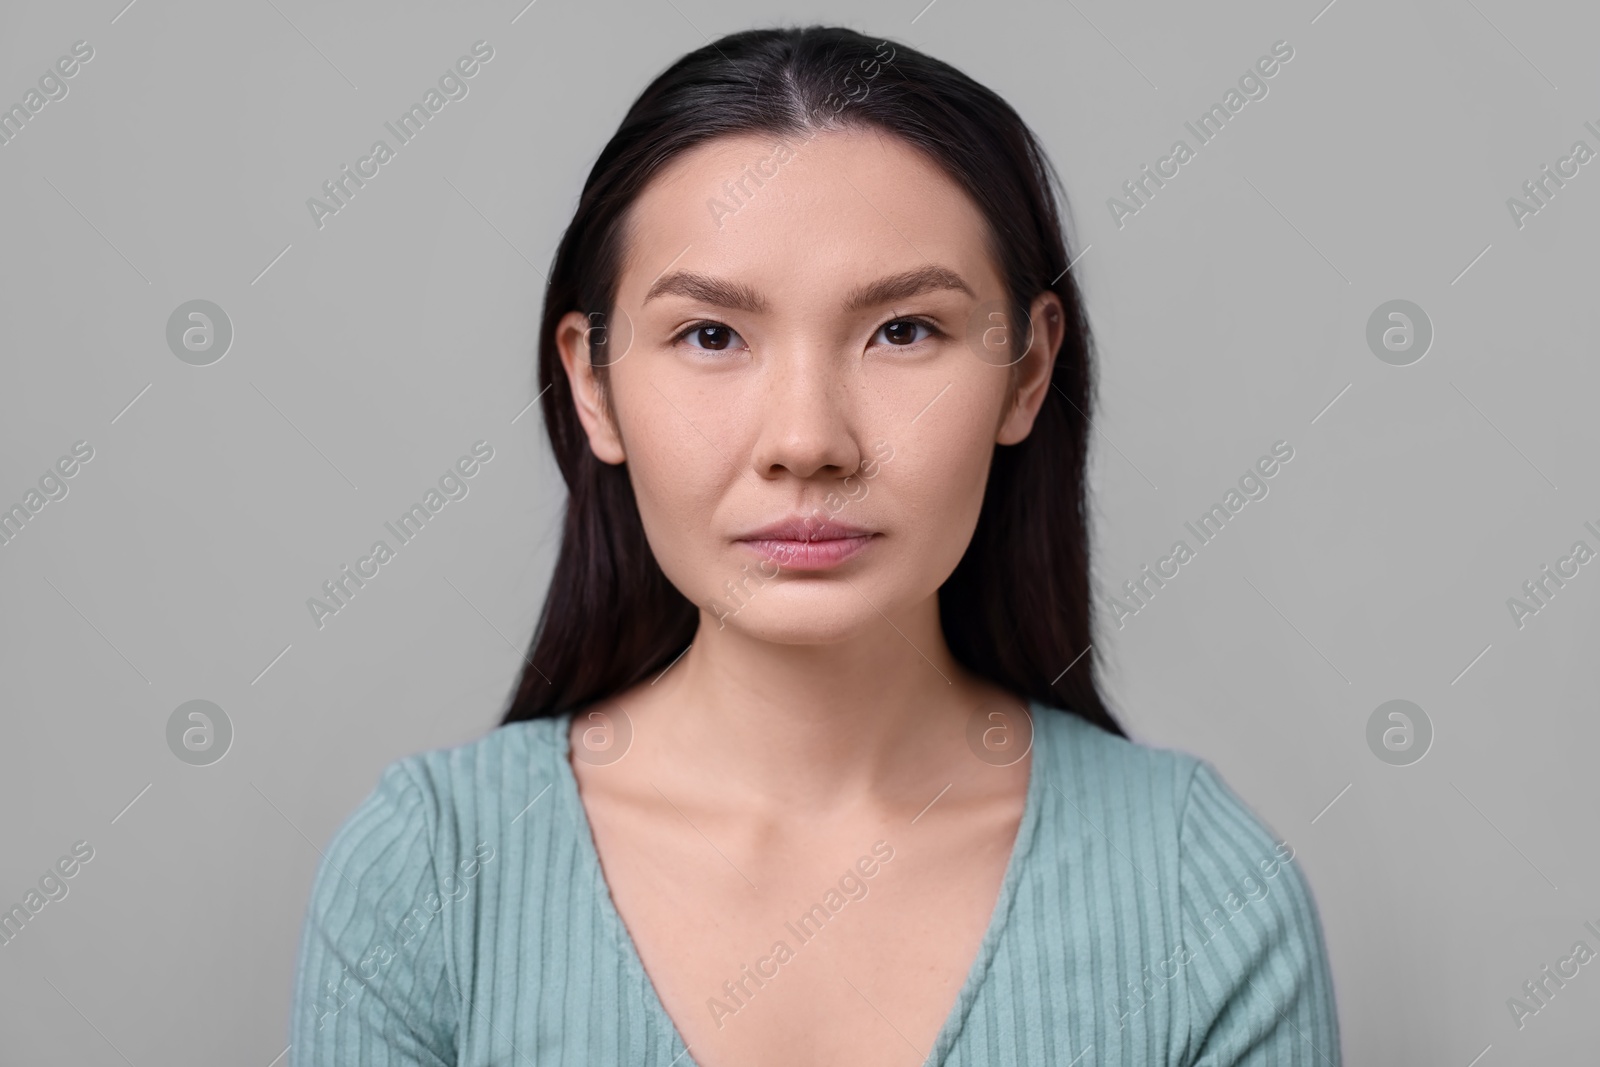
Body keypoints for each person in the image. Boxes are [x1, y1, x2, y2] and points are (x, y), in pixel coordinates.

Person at [289, 25, 1341, 1066]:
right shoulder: (427, 877)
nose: (807, 441)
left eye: (904, 330)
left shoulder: (1201, 893)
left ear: (1025, 372)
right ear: (593, 384)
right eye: (710, 335)